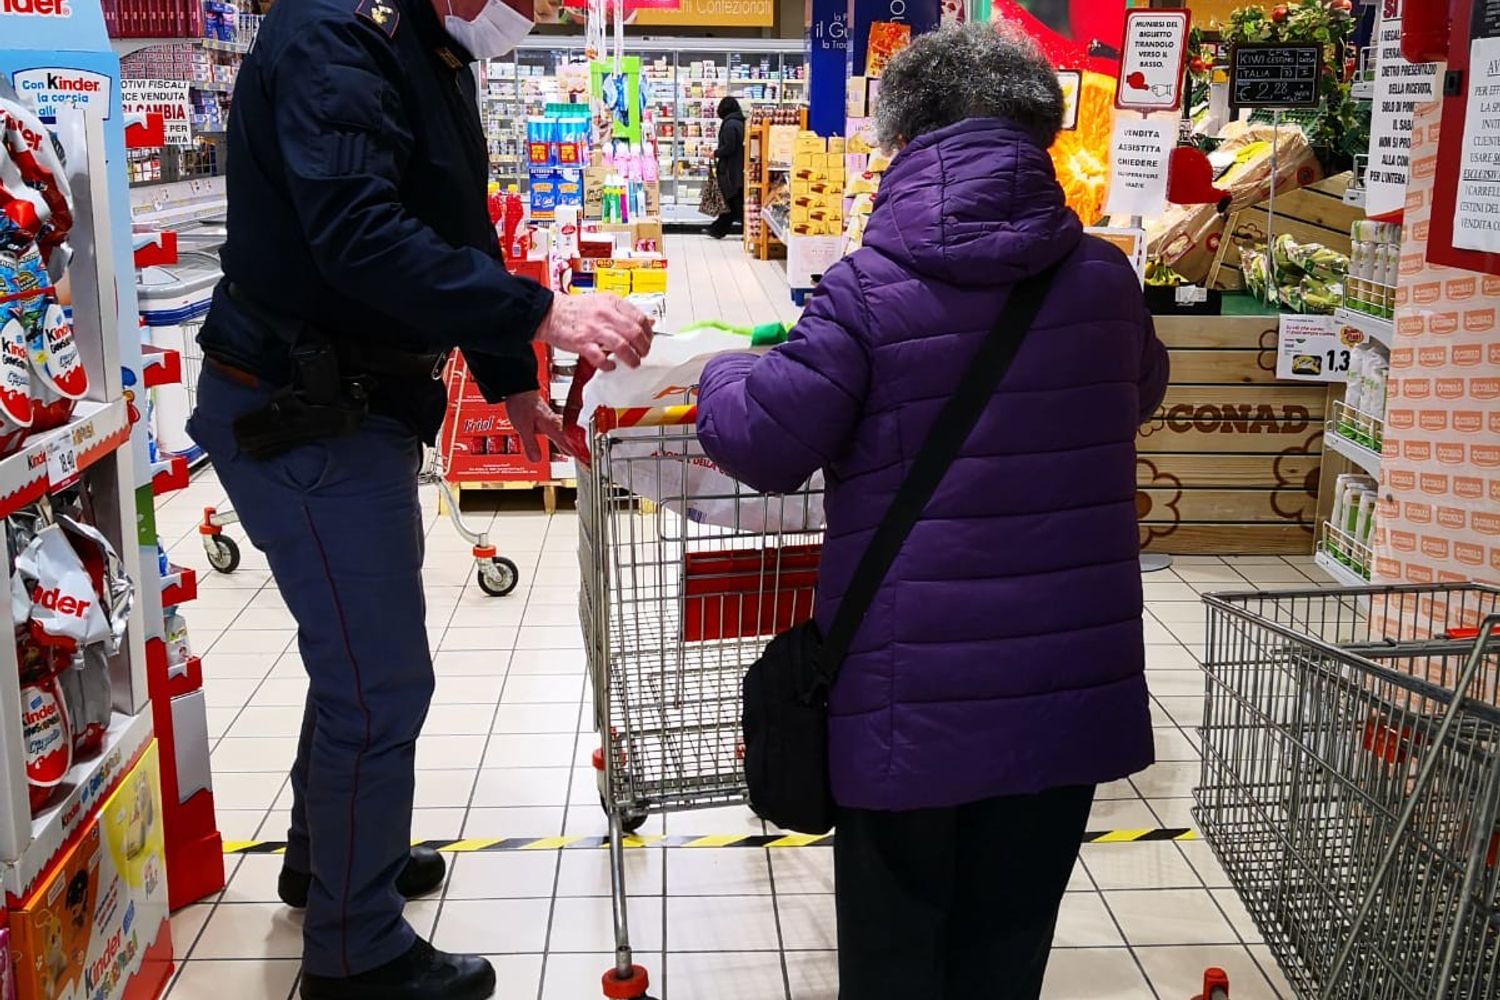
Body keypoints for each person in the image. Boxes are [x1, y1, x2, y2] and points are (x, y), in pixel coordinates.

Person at [184, 0, 653, 997]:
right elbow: (357, 233)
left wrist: (511, 375)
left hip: (353, 406)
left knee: (354, 656)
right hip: (301, 412)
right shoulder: (333, 33)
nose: (530, 14)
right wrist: (547, 311)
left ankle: (326, 860)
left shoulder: (428, 51)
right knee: (382, 682)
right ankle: (356, 951)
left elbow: (456, 227)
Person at [695, 22, 1168, 1000]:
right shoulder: (1106, 280)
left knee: (896, 949)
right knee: (1007, 942)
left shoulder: (868, 291)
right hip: (1066, 683)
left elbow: (767, 444)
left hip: (911, 696)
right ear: (1040, 134)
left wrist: (724, 370)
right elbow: (1139, 390)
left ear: (901, 141)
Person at [708, 96, 746, 239]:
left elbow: (729, 147)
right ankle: (718, 230)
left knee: (733, 200)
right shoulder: (740, 122)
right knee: (732, 201)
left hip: (731, 170)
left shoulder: (729, 125)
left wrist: (715, 153)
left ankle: (720, 229)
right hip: (738, 168)